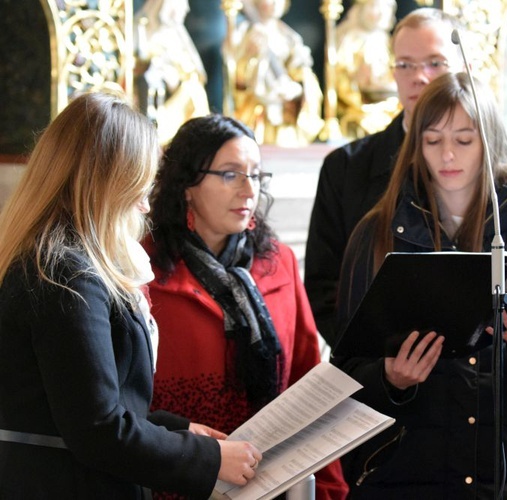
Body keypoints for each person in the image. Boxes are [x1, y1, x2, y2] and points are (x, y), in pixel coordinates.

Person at [0, 92, 261, 498]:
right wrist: (208, 458)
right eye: (140, 185)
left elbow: (83, 402)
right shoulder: (67, 273)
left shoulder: (58, 259)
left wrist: (178, 430)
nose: (144, 205)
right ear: (107, 183)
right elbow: (97, 429)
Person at [332, 72, 507, 498]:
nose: (447, 155)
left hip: (503, 476)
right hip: (401, 473)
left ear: (490, 142)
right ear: (416, 146)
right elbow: (344, 376)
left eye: (464, 140)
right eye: (432, 140)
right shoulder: (376, 233)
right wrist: (392, 379)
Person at [305, 7, 507, 347]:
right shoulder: (345, 167)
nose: (419, 76)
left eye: (435, 63)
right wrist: (379, 360)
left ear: (464, 69)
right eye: (405, 64)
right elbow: (325, 287)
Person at [145, 114, 349, 499]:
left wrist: (328, 488)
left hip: (272, 481)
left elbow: (308, 384)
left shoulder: (279, 263)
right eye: (230, 174)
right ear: (186, 186)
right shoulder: (142, 270)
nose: (247, 190)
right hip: (176, 481)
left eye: (255, 175)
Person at [231, 0, 324, 146]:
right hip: (256, 115)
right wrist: (252, 57)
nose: (275, 3)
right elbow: (236, 75)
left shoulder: (290, 37)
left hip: (285, 116)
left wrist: (297, 88)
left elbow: (302, 70)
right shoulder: (244, 33)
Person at [135, 0, 210, 145]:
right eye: (181, 5)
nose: (186, 9)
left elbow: (194, 70)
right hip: (162, 95)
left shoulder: (178, 35)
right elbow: (146, 65)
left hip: (182, 90)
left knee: (195, 91)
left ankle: (199, 135)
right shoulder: (150, 34)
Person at [335, 0, 399, 138]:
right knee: (364, 121)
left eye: (386, 7)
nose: (381, 13)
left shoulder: (388, 41)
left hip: (390, 101)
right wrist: (358, 81)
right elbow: (339, 77)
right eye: (375, 7)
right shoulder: (349, 39)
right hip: (360, 104)